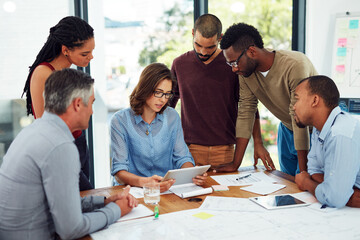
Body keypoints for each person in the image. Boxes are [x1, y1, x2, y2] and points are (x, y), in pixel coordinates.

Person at [0, 69, 138, 240]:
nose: (92, 112)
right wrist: (117, 210)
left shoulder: (34, 131)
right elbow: (71, 229)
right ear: (78, 104)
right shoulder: (60, 146)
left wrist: (104, 202)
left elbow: (61, 202)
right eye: (92, 103)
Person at [170, 14, 273, 171]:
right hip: (189, 150)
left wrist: (258, 141)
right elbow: (168, 105)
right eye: (198, 45)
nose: (203, 52)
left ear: (220, 38)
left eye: (210, 47)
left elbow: (249, 106)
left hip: (225, 150)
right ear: (192, 33)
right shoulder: (179, 64)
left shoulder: (234, 65)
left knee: (226, 193)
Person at [218, 23, 318, 175]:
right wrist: (235, 164)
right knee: (288, 185)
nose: (234, 69)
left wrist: (303, 172)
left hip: (314, 132)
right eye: (230, 64)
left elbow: (298, 117)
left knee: (306, 185)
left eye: (235, 62)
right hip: (286, 128)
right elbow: (246, 110)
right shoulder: (245, 72)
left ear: (251, 51)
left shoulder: (295, 65)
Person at [22, 16, 95, 190]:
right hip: (61, 149)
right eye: (85, 54)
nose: (91, 57)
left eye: (91, 51)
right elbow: (44, 125)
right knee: (85, 198)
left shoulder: (68, 72)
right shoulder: (43, 73)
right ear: (65, 50)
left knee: (85, 200)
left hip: (78, 145)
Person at [111, 63, 207, 192]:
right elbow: (119, 171)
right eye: (158, 93)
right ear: (145, 89)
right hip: (133, 192)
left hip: (166, 190)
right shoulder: (120, 120)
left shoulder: (172, 116)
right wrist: (145, 182)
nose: (163, 100)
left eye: (167, 94)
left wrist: (192, 174)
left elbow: (182, 157)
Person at [293, 75, 360, 208]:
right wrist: (345, 192)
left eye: (297, 99)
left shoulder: (341, 134)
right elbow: (314, 170)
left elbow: (334, 198)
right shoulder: (319, 129)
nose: (294, 107)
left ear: (315, 100)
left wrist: (306, 183)